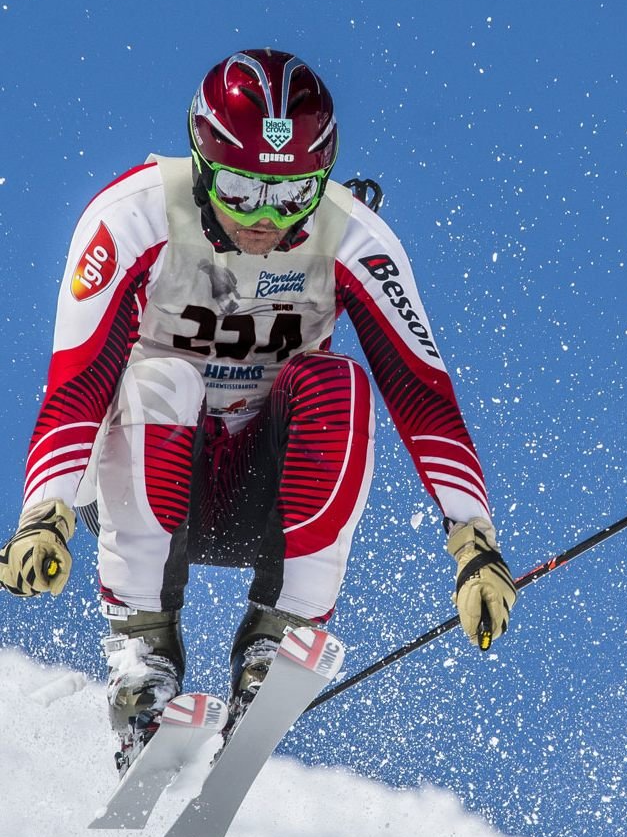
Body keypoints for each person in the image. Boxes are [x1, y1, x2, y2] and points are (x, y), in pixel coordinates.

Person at [0, 49, 517, 771]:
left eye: (293, 193)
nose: (264, 218)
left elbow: (422, 397)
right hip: (141, 477)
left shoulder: (352, 238)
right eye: (241, 190)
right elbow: (78, 382)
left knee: (345, 381)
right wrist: (44, 514)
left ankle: (280, 639)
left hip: (266, 490)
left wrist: (474, 544)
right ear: (203, 162)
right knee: (163, 376)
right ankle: (143, 651)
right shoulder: (131, 219)